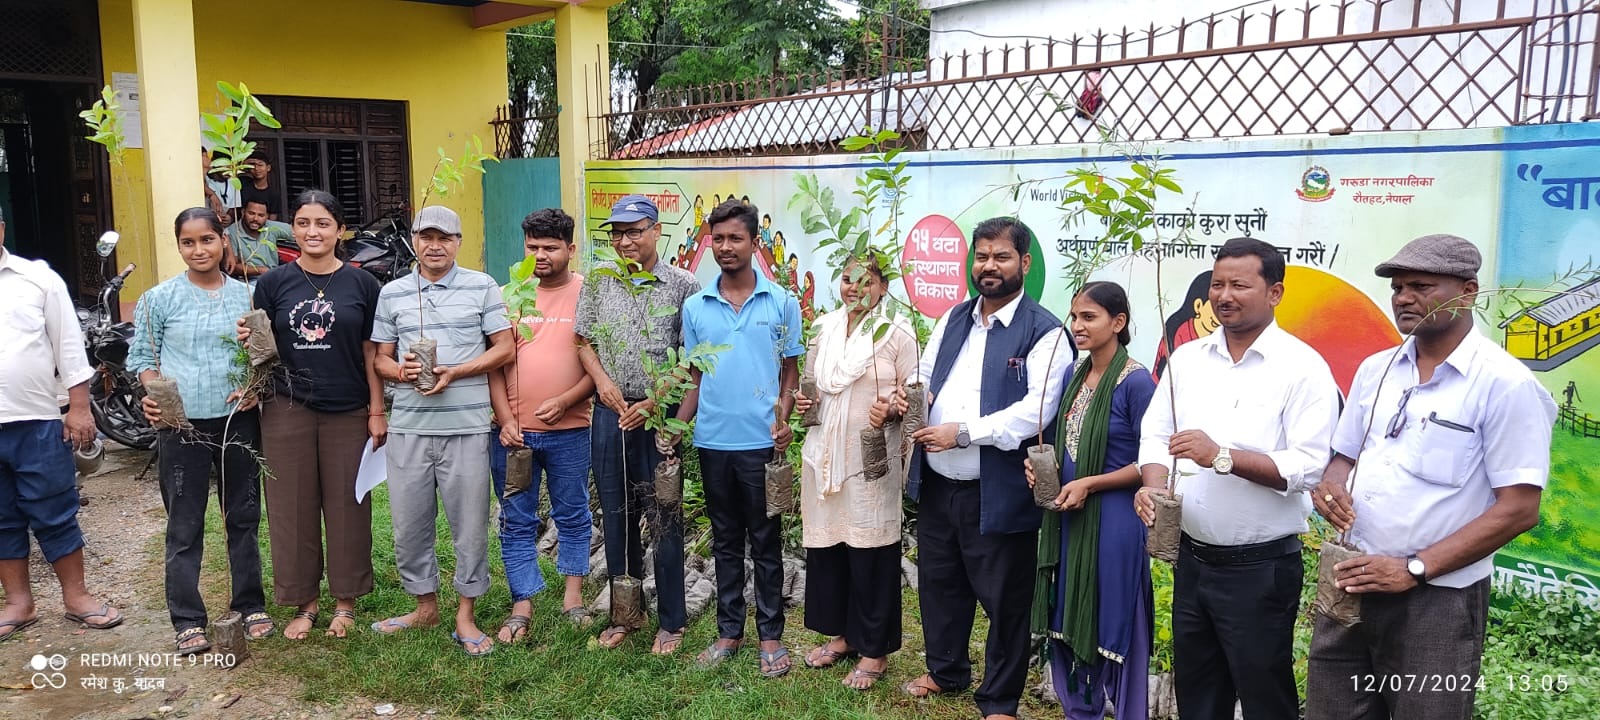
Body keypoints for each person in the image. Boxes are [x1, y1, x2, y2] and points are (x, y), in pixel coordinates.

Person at [1306, 234, 1557, 720]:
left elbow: (1520, 508)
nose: (1403, 297)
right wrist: (1331, 485)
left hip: (1437, 599)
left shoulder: (1505, 385)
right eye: (1398, 287)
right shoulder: (1377, 370)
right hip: (1352, 579)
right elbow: (1343, 456)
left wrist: (1413, 569)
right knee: (1332, 709)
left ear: (1468, 291)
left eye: (1420, 285)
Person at [1134, 237, 1341, 720]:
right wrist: (1151, 483)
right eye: (1217, 284)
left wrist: (1221, 456)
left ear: (1274, 292)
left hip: (1260, 570)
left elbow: (1308, 465)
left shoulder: (1303, 368)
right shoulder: (1186, 359)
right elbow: (1156, 433)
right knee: (1198, 688)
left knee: (1264, 689)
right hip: (1193, 560)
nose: (1224, 295)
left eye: (1240, 285)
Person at [901, 217, 1074, 720]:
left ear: (1024, 263)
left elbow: (1036, 413)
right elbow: (924, 372)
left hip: (996, 487)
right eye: (981, 256)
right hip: (939, 481)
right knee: (940, 582)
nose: (988, 266)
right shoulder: (954, 317)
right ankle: (946, 670)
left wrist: (963, 431)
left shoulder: (1044, 331)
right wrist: (911, 395)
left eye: (1001, 257)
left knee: (1005, 598)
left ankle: (999, 700)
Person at [370, 205, 513, 657]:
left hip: (467, 426)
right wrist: (402, 372)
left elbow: (504, 349)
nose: (435, 246)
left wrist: (457, 370)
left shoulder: (482, 286)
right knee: (409, 524)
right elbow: (380, 358)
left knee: (469, 526)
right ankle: (424, 605)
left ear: (458, 242)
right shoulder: (393, 292)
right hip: (409, 427)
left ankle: (465, 613)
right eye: (426, 237)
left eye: (445, 237)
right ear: (414, 240)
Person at [128, 208, 272, 653]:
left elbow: (265, 355)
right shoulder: (158, 299)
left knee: (243, 516)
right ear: (178, 246)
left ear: (223, 241)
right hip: (181, 426)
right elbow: (142, 361)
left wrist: (255, 388)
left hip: (236, 422)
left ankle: (249, 605)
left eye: (207, 239)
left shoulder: (247, 296)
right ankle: (188, 618)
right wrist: (154, 395)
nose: (199, 250)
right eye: (188, 242)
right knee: (185, 522)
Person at [245, 189, 386, 640]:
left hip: (349, 407)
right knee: (291, 507)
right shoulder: (272, 283)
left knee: (349, 505)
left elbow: (370, 351)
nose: (312, 232)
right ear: (294, 229)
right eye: (303, 223)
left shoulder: (363, 285)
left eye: (323, 223)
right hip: (288, 407)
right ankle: (304, 602)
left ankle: (345, 601)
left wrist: (377, 409)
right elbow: (260, 348)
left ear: (339, 230)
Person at [672, 199, 803, 677]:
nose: (726, 248)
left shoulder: (782, 304)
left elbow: (790, 371)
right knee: (726, 542)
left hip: (762, 446)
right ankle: (729, 631)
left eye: (736, 239)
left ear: (753, 243)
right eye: (719, 239)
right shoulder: (696, 306)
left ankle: (771, 636)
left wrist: (783, 418)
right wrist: (677, 428)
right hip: (712, 444)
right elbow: (693, 376)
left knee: (765, 542)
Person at [575, 194, 700, 654]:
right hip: (610, 415)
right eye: (618, 233)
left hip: (658, 419)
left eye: (634, 231)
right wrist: (604, 384)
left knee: (663, 517)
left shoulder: (683, 285)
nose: (625, 241)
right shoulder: (601, 281)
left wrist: (652, 401)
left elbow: (691, 358)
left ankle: (672, 620)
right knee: (616, 514)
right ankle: (626, 614)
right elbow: (583, 341)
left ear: (655, 231)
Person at [1025, 281, 1156, 720]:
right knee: (1065, 608)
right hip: (1068, 515)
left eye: (1089, 317)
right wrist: (1044, 472)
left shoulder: (1137, 383)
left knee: (1114, 614)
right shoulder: (1072, 375)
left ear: (1118, 323)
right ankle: (1080, 711)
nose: (1078, 326)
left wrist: (1091, 484)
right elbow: (1067, 447)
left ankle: (1126, 711)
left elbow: (1151, 463)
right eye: (1075, 317)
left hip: (1116, 518)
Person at [792, 253, 917, 691]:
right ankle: (841, 637)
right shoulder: (823, 328)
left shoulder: (897, 333)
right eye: (847, 279)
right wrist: (806, 404)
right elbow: (810, 388)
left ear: (883, 287)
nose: (854, 288)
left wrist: (896, 406)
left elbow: (914, 397)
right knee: (830, 549)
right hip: (824, 454)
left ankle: (874, 651)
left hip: (870, 459)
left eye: (865, 281)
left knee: (870, 551)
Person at [0, 206, 124, 642]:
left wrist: (79, 407)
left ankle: (77, 597)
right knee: (2, 518)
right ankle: (19, 603)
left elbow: (69, 347)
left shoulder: (37, 279)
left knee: (55, 509)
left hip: (35, 420)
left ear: (0, 228)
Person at [488, 208, 595, 643]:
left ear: (571, 249)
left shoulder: (589, 294)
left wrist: (568, 399)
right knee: (516, 517)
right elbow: (494, 365)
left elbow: (597, 365)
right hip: (514, 435)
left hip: (571, 430)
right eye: (532, 247)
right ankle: (523, 601)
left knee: (572, 512)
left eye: (551, 247)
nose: (541, 255)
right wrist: (506, 418)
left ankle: (573, 597)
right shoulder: (508, 293)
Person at [224, 199, 289, 282]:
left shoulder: (270, 226)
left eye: (261, 215)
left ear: (267, 216)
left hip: (276, 278)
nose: (255, 218)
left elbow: (297, 232)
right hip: (249, 282)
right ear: (243, 212)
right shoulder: (232, 232)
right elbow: (233, 267)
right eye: (251, 213)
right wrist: (261, 270)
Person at [202, 148, 241, 227]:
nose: (228, 168)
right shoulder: (205, 180)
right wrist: (211, 193)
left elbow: (235, 208)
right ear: (214, 162)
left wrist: (230, 217)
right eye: (225, 165)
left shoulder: (234, 182)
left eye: (231, 165)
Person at [239, 151, 281, 220]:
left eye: (260, 165)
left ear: (268, 168)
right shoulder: (243, 183)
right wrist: (244, 163)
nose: (256, 169)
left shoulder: (273, 194)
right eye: (253, 165)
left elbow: (272, 220)